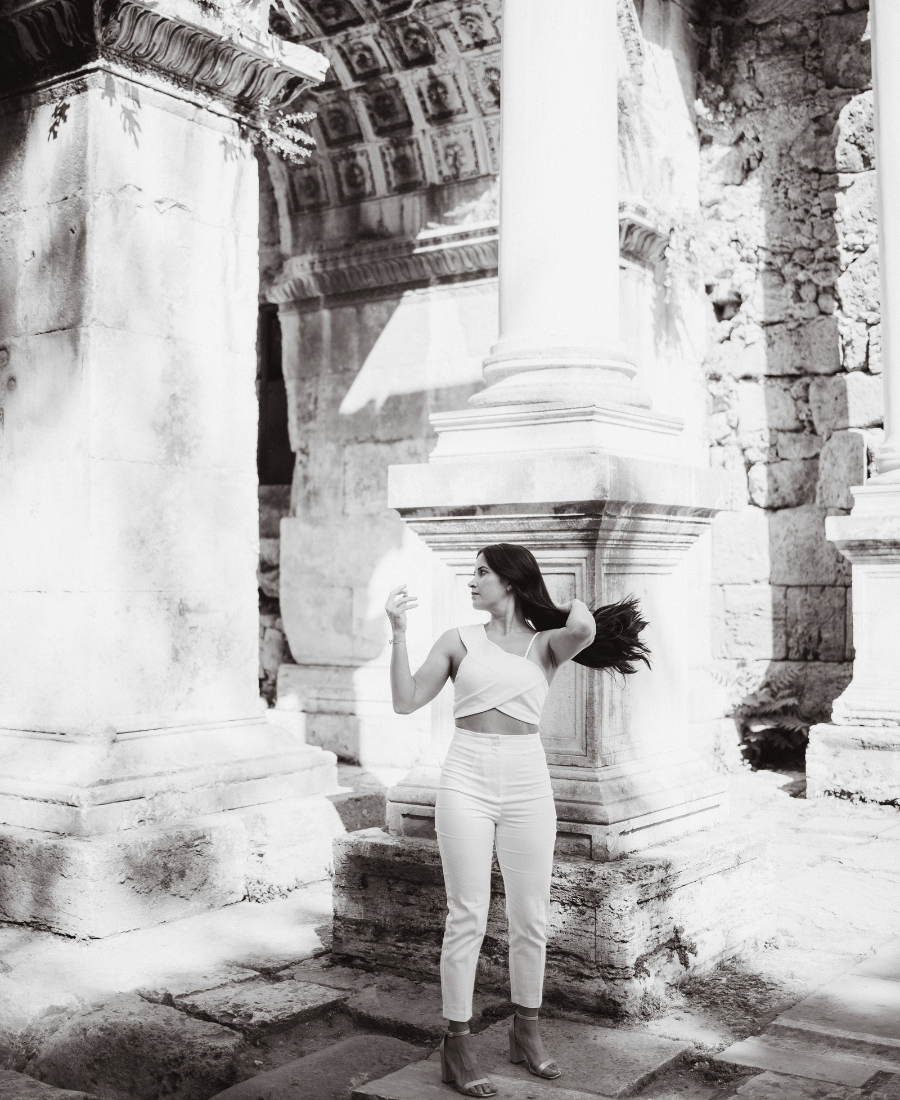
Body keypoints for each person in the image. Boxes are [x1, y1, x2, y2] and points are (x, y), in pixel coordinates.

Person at [385, 543, 650, 1097]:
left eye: (483, 572)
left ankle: (525, 1033)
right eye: (474, 572)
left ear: (510, 579)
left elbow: (581, 624)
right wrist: (398, 632)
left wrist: (542, 604)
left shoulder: (547, 645)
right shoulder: (457, 641)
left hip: (529, 782)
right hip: (466, 777)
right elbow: (406, 700)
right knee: (468, 915)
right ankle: (456, 1045)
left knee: (531, 916)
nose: (472, 581)